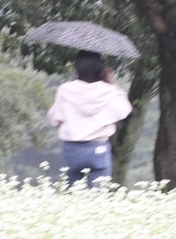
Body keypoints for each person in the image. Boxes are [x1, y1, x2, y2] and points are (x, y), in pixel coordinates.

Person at [47, 50, 132, 187]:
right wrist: (111, 80)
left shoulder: (65, 90)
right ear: (100, 68)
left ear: (77, 67)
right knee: (97, 200)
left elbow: (54, 118)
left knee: (71, 197)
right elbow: (125, 110)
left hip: (72, 150)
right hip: (98, 149)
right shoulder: (109, 91)